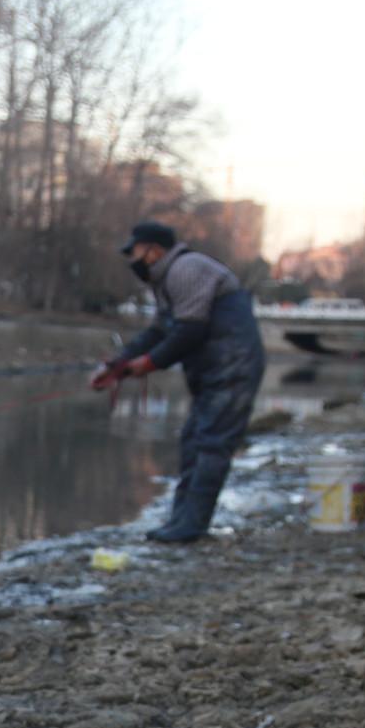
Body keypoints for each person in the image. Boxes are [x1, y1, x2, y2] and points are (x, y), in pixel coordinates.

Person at [91, 220, 266, 543]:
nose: (132, 260)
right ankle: (180, 520)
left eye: (135, 251)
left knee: (212, 443)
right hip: (210, 370)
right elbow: (159, 331)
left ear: (154, 250)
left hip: (233, 366)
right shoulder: (165, 281)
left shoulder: (185, 269)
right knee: (192, 441)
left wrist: (149, 363)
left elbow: (189, 330)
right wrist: (119, 364)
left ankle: (192, 526)